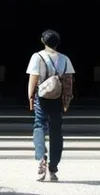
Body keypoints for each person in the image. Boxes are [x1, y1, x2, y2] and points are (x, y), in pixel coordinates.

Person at [26, 29, 75, 182]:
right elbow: (68, 82)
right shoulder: (65, 59)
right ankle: (53, 167)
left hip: (42, 96)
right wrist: (66, 101)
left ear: (43, 41)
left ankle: (41, 158)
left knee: (39, 125)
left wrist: (30, 97)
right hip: (58, 98)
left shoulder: (37, 56)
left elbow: (33, 78)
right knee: (56, 131)